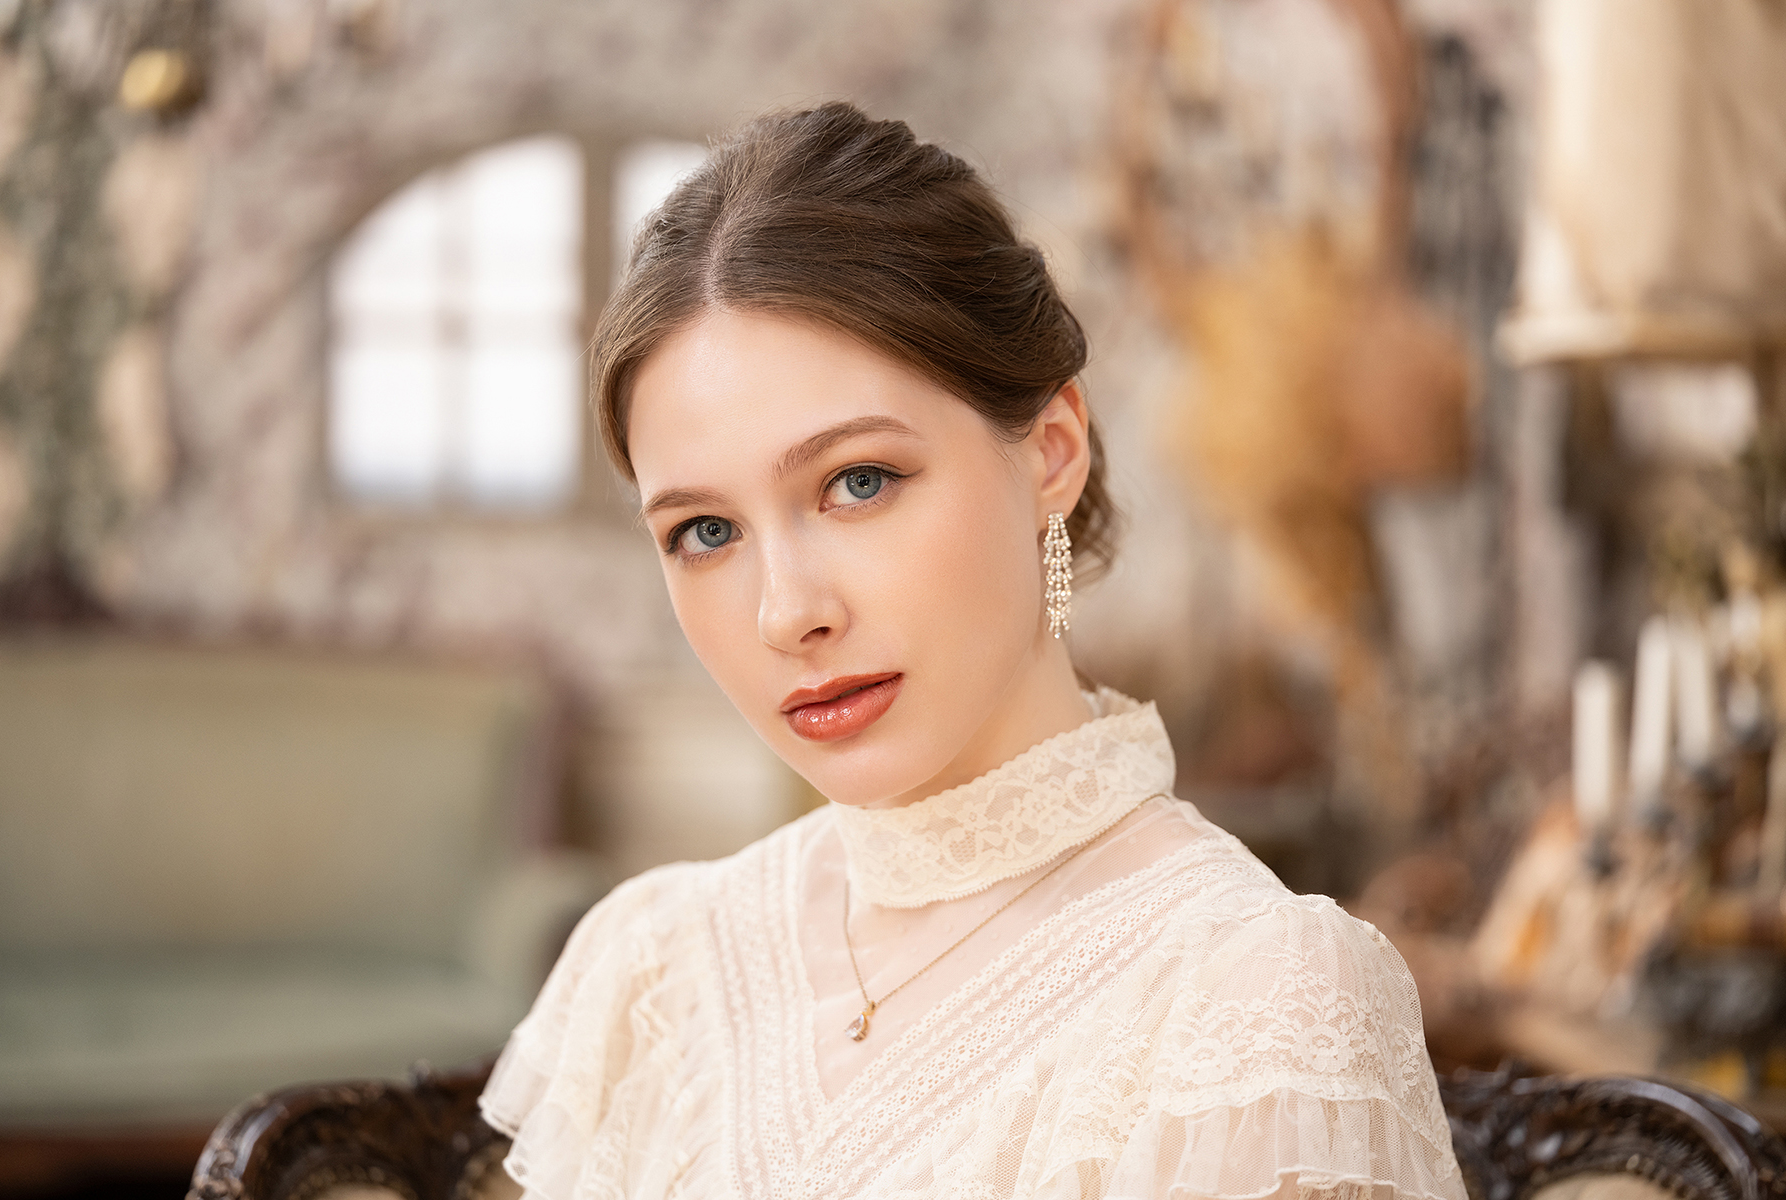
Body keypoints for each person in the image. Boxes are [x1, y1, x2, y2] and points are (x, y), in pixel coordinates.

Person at [480, 102, 1465, 1200]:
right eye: (705, 532)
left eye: (859, 481)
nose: (784, 613)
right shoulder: (654, 969)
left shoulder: (1253, 1003)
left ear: (1051, 453)